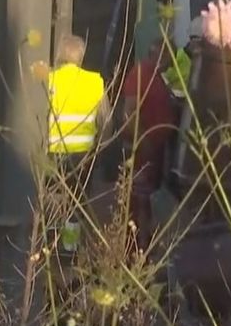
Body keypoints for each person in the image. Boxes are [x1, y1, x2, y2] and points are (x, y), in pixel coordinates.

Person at [45, 34, 108, 251]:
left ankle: (46, 245)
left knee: (48, 198)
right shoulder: (95, 82)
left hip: (52, 154)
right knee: (77, 203)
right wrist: (100, 148)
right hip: (83, 156)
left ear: (60, 55)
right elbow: (106, 122)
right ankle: (69, 249)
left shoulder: (49, 80)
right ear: (81, 57)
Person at [117, 41, 181, 250]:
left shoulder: (156, 76)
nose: (171, 64)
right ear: (161, 55)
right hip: (144, 149)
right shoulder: (141, 73)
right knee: (140, 200)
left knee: (146, 199)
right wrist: (143, 140)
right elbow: (130, 113)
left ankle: (143, 241)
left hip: (155, 149)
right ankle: (137, 246)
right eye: (170, 58)